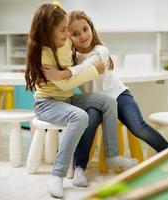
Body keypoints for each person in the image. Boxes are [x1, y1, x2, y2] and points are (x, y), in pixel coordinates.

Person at [44, 10, 168, 187]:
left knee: (138, 126)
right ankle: (80, 168)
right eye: (75, 33)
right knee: (88, 121)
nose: (82, 36)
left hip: (118, 95)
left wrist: (63, 73)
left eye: (85, 29)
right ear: (68, 36)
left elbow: (88, 67)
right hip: (95, 101)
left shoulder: (100, 51)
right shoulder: (70, 58)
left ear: (91, 29)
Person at [25, 3, 136, 198]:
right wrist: (92, 71)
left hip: (66, 99)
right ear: (47, 31)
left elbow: (79, 67)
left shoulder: (64, 42)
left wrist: (67, 72)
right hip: (47, 103)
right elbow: (65, 84)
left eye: (67, 30)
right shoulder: (43, 55)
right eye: (62, 30)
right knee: (80, 117)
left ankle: (112, 156)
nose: (66, 35)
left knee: (109, 101)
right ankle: (57, 176)